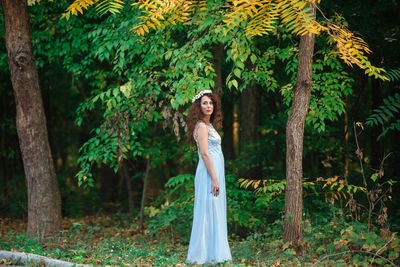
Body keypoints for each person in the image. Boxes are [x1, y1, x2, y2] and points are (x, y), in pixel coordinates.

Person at [185, 90, 232, 265]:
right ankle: (202, 254)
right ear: (198, 106)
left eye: (211, 103)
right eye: (205, 103)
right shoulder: (202, 127)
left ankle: (214, 252)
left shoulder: (210, 126)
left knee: (215, 210)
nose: (208, 106)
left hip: (215, 172)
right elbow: (205, 154)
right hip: (208, 173)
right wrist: (214, 178)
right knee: (207, 210)